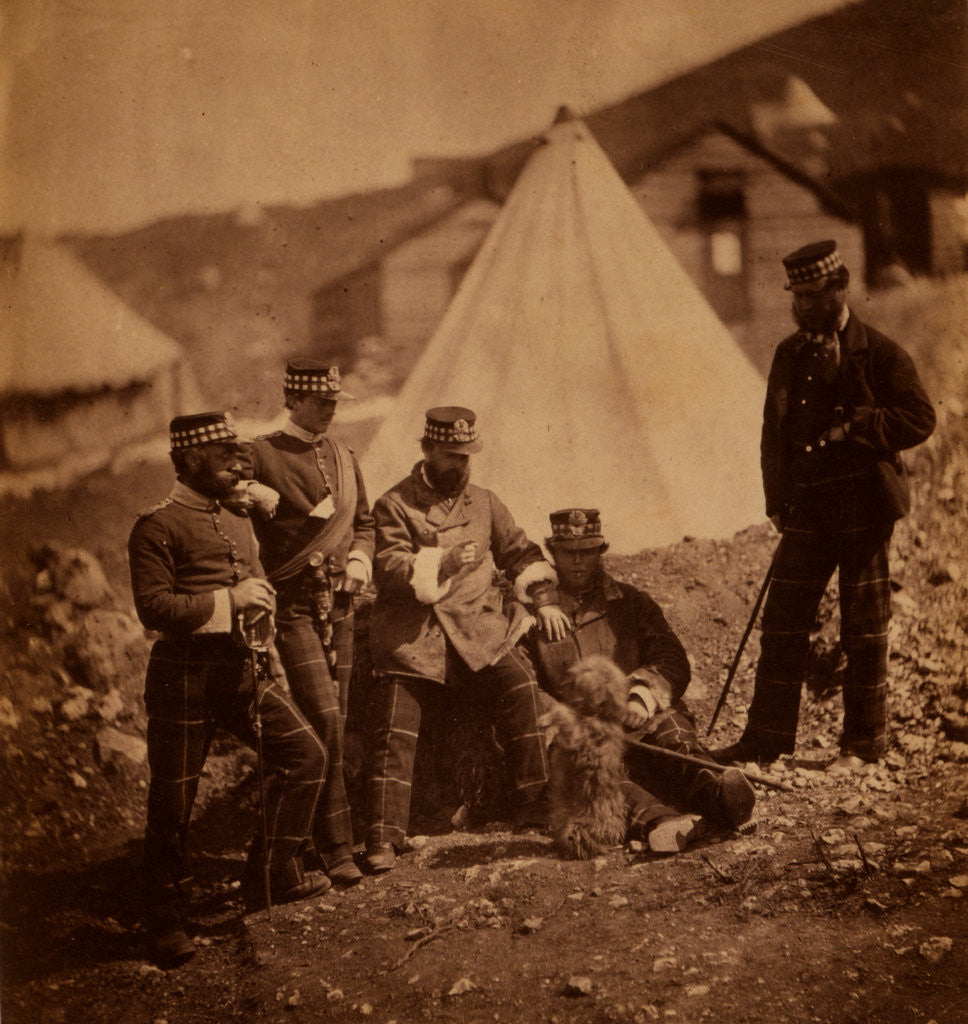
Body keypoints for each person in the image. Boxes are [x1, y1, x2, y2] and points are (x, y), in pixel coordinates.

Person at [713, 240, 935, 771]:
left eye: (815, 295)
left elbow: (919, 419)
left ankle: (862, 747)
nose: (806, 305)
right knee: (783, 621)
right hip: (807, 511)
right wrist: (776, 501)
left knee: (863, 629)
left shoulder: (879, 352)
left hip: (864, 510)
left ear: (841, 288)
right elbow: (774, 433)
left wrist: (858, 425)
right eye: (798, 297)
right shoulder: (789, 354)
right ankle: (765, 741)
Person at [128, 412, 329, 969]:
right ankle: (164, 919)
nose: (239, 465)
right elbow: (154, 608)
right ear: (189, 461)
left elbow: (253, 583)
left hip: (241, 673)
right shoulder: (156, 527)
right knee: (173, 804)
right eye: (224, 457)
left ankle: (270, 876)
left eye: (240, 455)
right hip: (183, 680)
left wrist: (256, 617)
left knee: (305, 754)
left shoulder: (236, 518)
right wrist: (230, 603)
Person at [362, 407, 570, 873]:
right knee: (395, 724)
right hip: (416, 637)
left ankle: (534, 807)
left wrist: (544, 597)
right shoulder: (395, 503)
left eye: (466, 456)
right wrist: (441, 563)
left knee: (520, 686)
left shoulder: (485, 501)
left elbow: (521, 552)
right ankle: (382, 838)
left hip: (479, 631)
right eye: (450, 456)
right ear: (426, 450)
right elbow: (389, 566)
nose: (460, 465)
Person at [528, 508, 755, 853]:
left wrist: (641, 696)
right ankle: (662, 823)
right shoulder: (532, 617)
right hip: (580, 733)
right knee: (595, 771)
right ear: (552, 554)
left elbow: (671, 658)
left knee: (675, 736)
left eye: (587, 551)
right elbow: (524, 685)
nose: (578, 561)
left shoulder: (632, 603)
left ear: (601, 551)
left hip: (641, 719)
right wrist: (564, 720)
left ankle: (720, 793)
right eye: (568, 552)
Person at [236, 359, 375, 886]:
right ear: (293, 399)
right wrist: (248, 493)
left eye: (336, 403)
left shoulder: (344, 455)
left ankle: (319, 845)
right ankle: (334, 848)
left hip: (339, 607)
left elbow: (364, 522)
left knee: (335, 716)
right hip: (292, 609)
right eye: (321, 402)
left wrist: (360, 559)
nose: (331, 411)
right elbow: (221, 500)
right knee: (325, 721)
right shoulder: (260, 453)